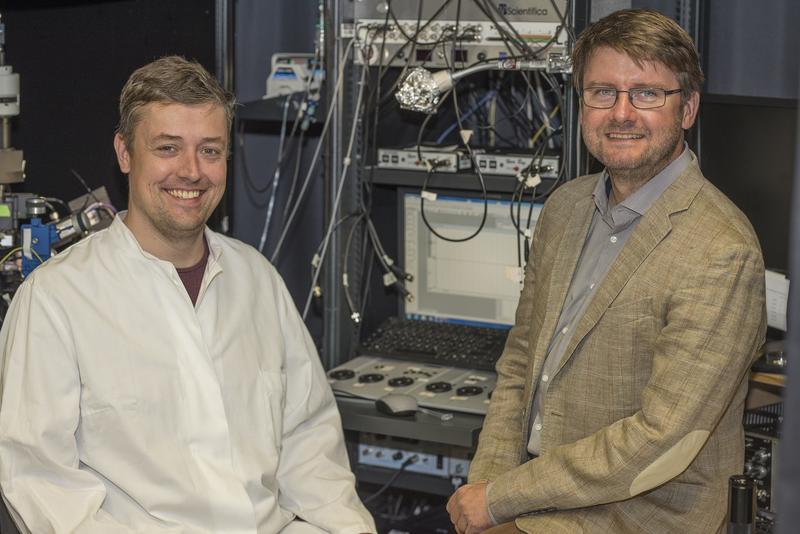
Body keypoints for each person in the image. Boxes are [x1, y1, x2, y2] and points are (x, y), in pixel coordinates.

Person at [0, 56, 375, 534]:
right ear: (124, 153)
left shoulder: (258, 281)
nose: (192, 172)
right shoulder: (57, 300)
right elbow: (40, 484)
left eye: (210, 151)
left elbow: (312, 451)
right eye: (168, 148)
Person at [446, 9, 766, 534]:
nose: (621, 113)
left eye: (646, 94)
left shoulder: (720, 251)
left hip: (640, 515)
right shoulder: (565, 208)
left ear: (687, 108)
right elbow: (520, 363)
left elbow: (659, 438)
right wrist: (488, 485)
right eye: (602, 92)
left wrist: (502, 498)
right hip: (537, 497)